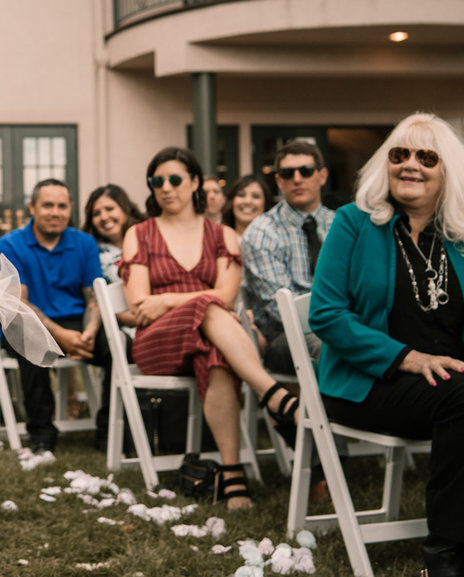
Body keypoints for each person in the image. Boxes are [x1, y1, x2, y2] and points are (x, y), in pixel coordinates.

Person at [309, 113, 464, 577]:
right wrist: (409, 359)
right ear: (386, 163)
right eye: (401, 154)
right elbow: (327, 315)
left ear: (447, 172)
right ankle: (446, 556)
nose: (411, 165)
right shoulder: (355, 223)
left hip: (445, 381)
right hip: (368, 383)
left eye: (426, 156)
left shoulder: (457, 239)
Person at [120, 146, 297, 510]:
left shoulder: (222, 235)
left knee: (215, 354)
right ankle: (272, 394)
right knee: (208, 304)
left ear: (196, 182)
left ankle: (232, 475)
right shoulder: (140, 233)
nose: (166, 188)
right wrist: (192, 300)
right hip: (157, 343)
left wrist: (167, 299)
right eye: (157, 181)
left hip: (208, 337)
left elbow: (228, 297)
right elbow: (140, 304)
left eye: (174, 179)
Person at [0, 178, 103, 453]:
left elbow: (94, 298)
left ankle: (111, 431)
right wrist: (60, 336)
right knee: (30, 338)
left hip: (77, 322)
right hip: (28, 321)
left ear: (71, 208)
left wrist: (89, 332)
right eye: (48, 205)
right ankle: (42, 434)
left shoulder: (85, 243)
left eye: (62, 206)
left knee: (116, 346)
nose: (55, 212)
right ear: (32, 207)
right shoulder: (10, 244)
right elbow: (20, 304)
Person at [241, 141, 335, 373]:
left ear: (322, 176)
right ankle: (337, 411)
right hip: (286, 334)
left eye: (305, 171)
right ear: (278, 181)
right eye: (287, 173)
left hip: (342, 323)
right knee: (334, 347)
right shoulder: (263, 231)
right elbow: (280, 309)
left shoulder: (340, 224)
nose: (297, 179)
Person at [83, 184, 145, 284]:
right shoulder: (91, 253)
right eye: (96, 213)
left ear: (125, 209)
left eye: (109, 209)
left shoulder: (148, 238)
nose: (103, 217)